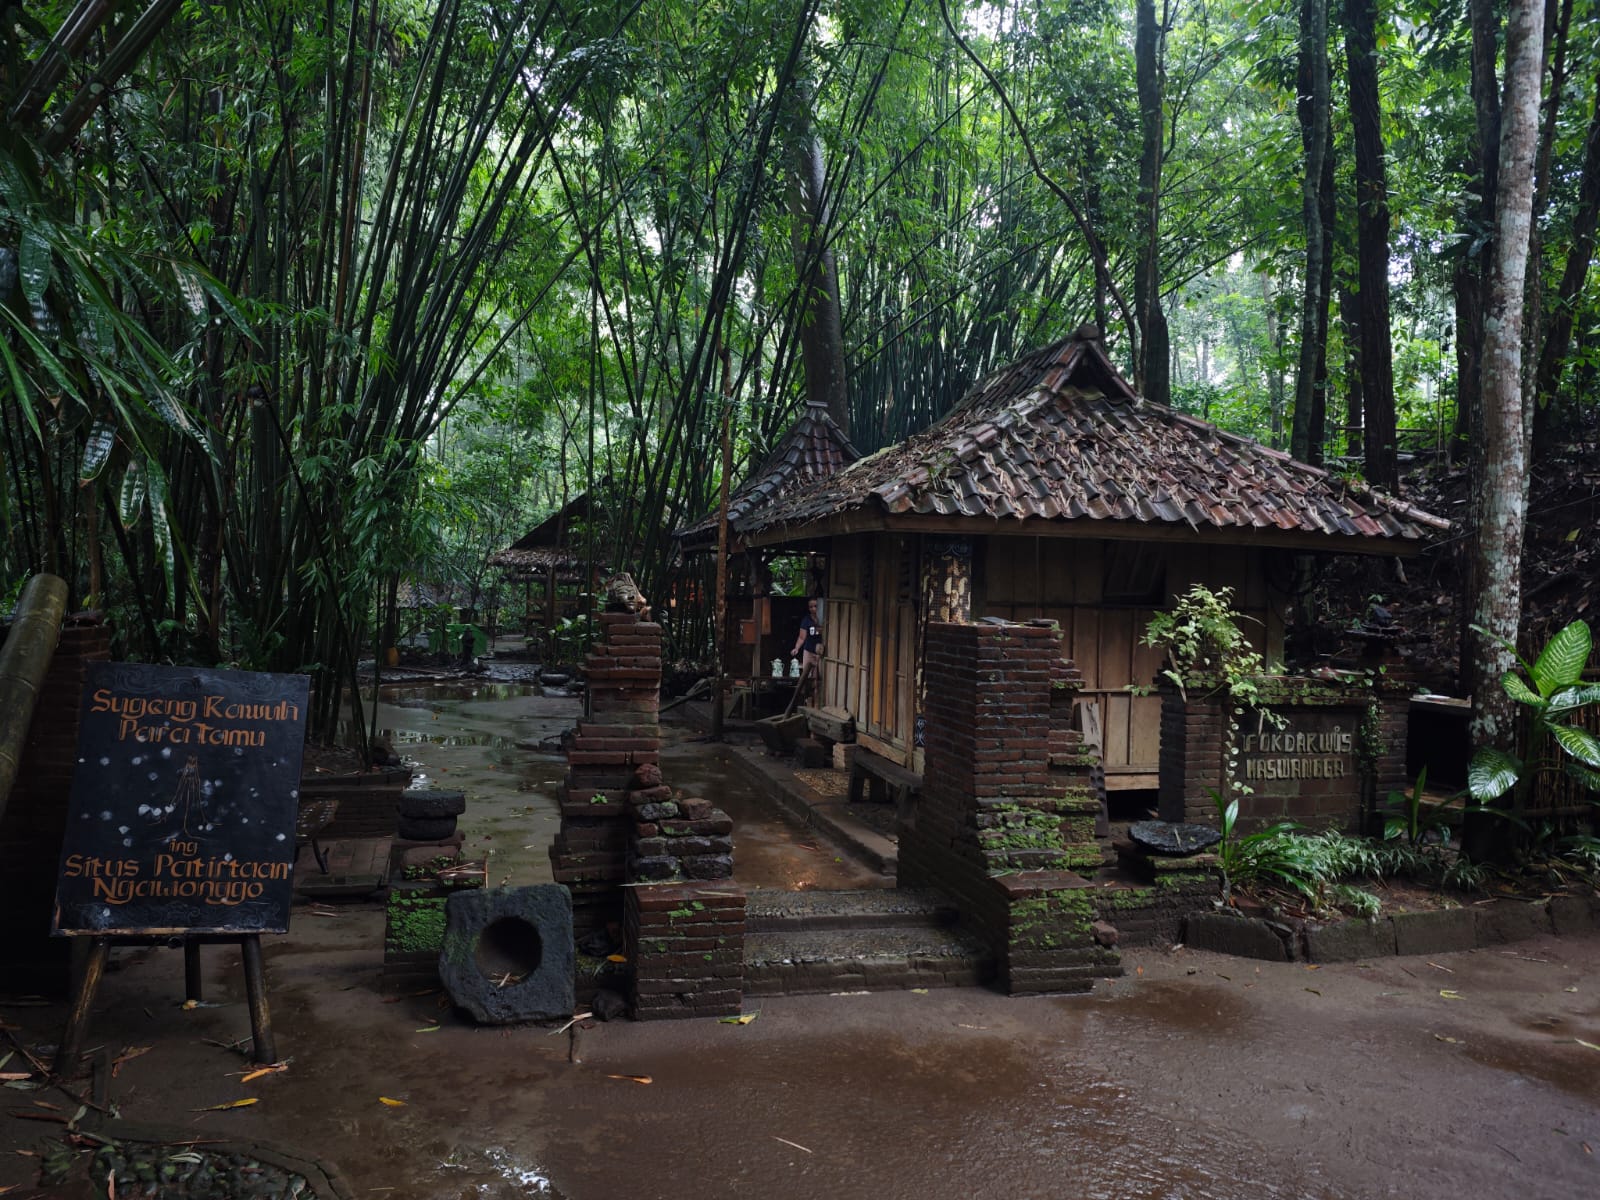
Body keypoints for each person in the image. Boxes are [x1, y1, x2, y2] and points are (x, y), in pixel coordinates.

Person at [790, 597, 824, 702]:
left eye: (815, 606)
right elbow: (802, 637)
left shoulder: (824, 619)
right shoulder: (806, 620)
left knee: (819, 677)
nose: (813, 609)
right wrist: (796, 648)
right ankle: (806, 699)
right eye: (811, 607)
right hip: (809, 651)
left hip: (821, 653)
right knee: (807, 676)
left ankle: (817, 699)